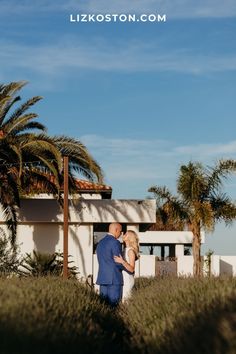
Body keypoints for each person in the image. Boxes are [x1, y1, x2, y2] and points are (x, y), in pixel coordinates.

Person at [96, 222, 125, 307]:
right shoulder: (115, 243)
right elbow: (118, 261)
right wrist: (126, 266)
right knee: (114, 307)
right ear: (116, 230)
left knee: (103, 307)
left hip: (102, 278)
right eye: (120, 231)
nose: (120, 234)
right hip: (114, 279)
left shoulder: (100, 243)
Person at [114, 230, 139, 302]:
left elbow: (132, 269)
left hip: (127, 279)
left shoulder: (130, 251)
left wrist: (122, 261)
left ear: (130, 238)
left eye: (126, 234)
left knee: (126, 301)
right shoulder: (124, 249)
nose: (123, 235)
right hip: (123, 278)